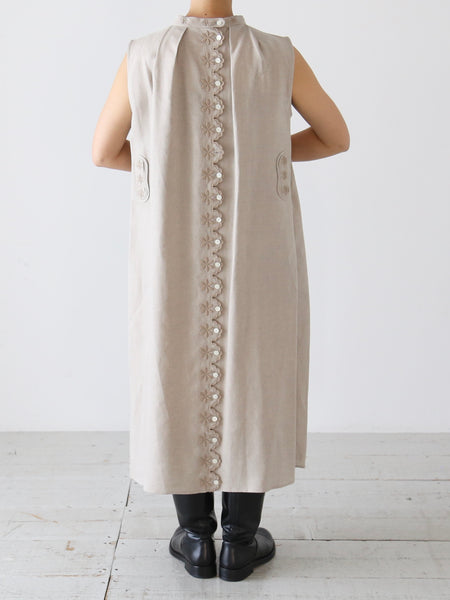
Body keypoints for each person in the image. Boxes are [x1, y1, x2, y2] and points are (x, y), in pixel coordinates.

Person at [92, 0, 349, 582]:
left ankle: (195, 538)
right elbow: (335, 138)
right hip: (260, 243)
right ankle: (239, 540)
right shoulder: (278, 55)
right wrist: (261, 154)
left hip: (170, 244)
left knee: (173, 363)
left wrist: (169, 162)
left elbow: (104, 151)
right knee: (255, 368)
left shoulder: (143, 55)